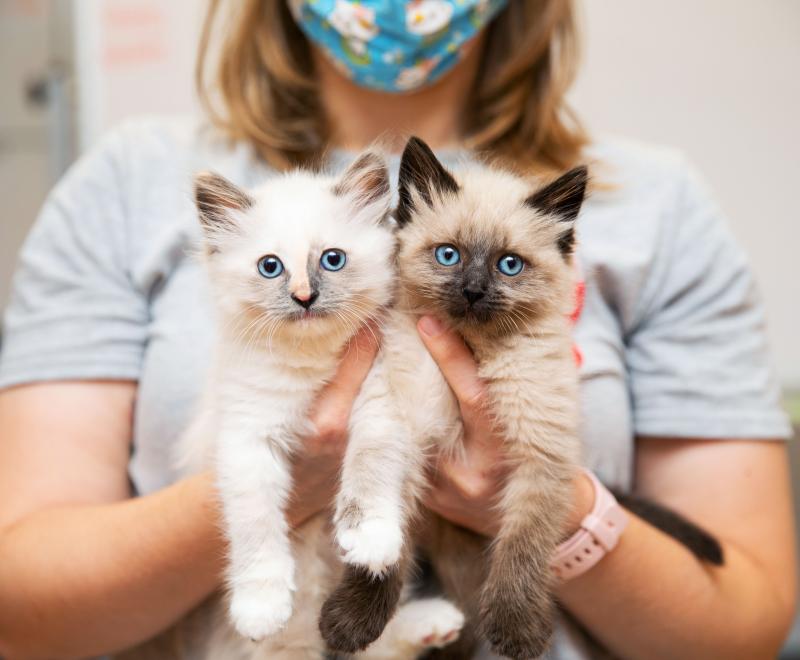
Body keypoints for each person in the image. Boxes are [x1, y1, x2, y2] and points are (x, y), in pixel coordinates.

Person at [0, 1, 795, 658]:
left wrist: (558, 510)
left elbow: (748, 626)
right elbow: (21, 609)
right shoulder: (131, 178)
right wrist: (299, 476)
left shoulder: (659, 202)